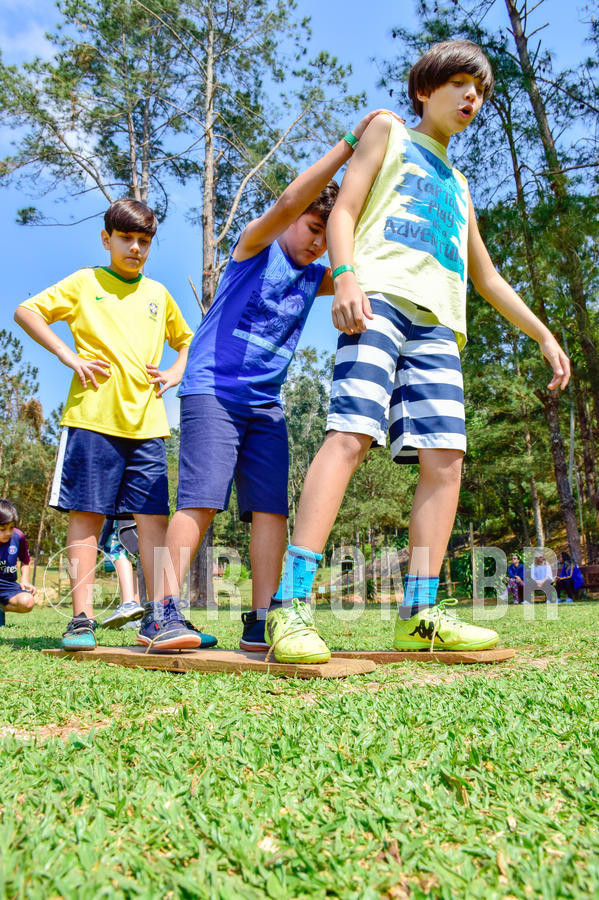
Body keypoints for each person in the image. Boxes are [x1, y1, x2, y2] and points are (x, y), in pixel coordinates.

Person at [264, 40, 571, 663]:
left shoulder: (459, 184)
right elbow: (345, 208)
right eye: (459, 83)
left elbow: (486, 278)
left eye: (480, 91)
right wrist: (345, 275)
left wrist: (541, 333)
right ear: (424, 91)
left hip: (439, 326)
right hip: (377, 300)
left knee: (447, 458)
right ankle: (289, 606)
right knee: (350, 434)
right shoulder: (389, 132)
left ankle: (419, 615)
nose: (471, 97)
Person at [146, 110, 398, 652]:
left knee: (271, 509)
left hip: (266, 405)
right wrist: (352, 144)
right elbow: (287, 203)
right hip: (213, 391)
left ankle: (261, 618)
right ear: (293, 222)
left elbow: (365, 262)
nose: (316, 246)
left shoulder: (316, 276)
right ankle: (161, 611)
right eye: (312, 231)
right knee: (202, 498)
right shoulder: (253, 249)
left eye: (324, 240)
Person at [14, 197, 211, 652]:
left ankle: (160, 617)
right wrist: (69, 356)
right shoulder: (86, 282)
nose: (135, 248)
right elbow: (27, 312)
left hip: (147, 426)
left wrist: (176, 372)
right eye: (126, 238)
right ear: (107, 239)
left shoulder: (158, 295)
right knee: (88, 516)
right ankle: (81, 619)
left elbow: (188, 342)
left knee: (152, 520)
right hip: (92, 421)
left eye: (144, 241)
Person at [98, 518, 145, 628]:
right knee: (131, 561)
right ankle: (135, 615)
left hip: (122, 518)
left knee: (118, 551)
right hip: (135, 518)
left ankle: (128, 603)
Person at [0, 499, 36, 627]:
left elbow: (25, 561)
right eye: (2, 529)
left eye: (11, 527)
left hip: (7, 584)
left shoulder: (19, 536)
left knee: (28, 602)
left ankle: (1, 608)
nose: (8, 533)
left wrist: (24, 580)